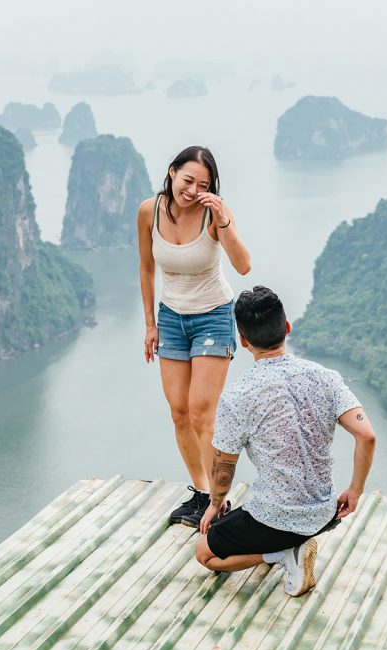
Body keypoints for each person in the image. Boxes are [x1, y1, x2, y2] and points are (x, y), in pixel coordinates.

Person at [194, 286, 377, 596]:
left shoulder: (238, 395)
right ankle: (288, 546)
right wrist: (355, 491)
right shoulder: (325, 377)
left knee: (205, 553)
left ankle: (281, 555)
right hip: (324, 513)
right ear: (287, 328)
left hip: (274, 520)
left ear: (243, 341)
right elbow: (367, 435)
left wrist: (214, 504)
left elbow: (224, 467)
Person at [138, 146, 251, 527]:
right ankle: (202, 494)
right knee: (179, 412)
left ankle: (221, 503)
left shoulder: (214, 215)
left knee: (203, 412)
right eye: (188, 180)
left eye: (203, 184)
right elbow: (146, 268)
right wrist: (150, 324)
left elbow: (243, 265)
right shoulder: (148, 211)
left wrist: (223, 221)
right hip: (171, 319)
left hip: (213, 316)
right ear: (171, 173)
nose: (192, 190)